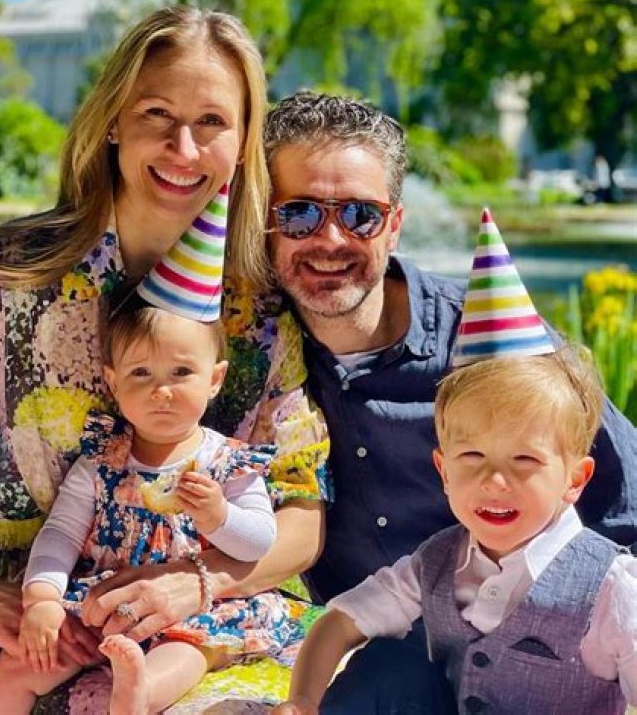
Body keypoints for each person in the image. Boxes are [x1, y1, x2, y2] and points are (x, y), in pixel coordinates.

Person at [79, 92, 635, 713]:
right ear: (264, 222)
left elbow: (628, 512)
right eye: (299, 214)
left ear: (395, 225)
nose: (330, 239)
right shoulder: (248, 356)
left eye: (360, 215)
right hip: (364, 669)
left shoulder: (503, 362)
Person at [0, 7, 328, 713]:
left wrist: (200, 580)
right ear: (113, 121)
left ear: (242, 145)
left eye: (212, 122)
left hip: (211, 635)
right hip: (33, 649)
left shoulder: (258, 317)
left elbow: (302, 510)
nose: (183, 148)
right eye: (157, 114)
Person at [271, 210, 636, 714]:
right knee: (387, 666)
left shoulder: (611, 588)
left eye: (524, 459)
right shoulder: (437, 563)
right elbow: (341, 622)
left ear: (575, 479)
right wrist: (302, 700)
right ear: (443, 470)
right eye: (472, 456)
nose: (494, 480)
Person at [0, 242, 292, 714]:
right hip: (103, 604)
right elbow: (62, 532)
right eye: (141, 373)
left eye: (182, 372)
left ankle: (136, 693)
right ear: (114, 382)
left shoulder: (226, 463)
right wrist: (42, 597)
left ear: (215, 379)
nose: (162, 390)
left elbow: (259, 541)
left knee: (186, 654)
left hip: (191, 612)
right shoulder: (103, 461)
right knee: (21, 665)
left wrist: (218, 516)